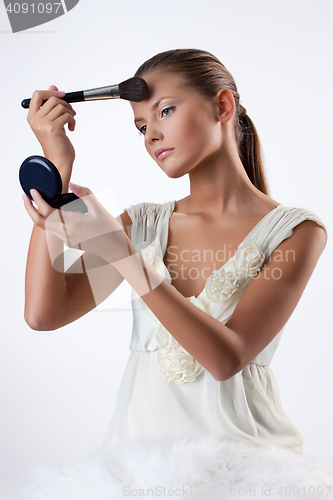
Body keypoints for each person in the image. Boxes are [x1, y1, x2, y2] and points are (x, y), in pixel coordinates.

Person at [20, 49, 332, 499]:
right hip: (135, 476)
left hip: (250, 475)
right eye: (141, 126)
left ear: (222, 107)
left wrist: (122, 253)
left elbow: (226, 359)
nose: (152, 135)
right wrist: (55, 165)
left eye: (165, 110)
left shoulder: (296, 231)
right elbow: (43, 314)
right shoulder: (141, 225)